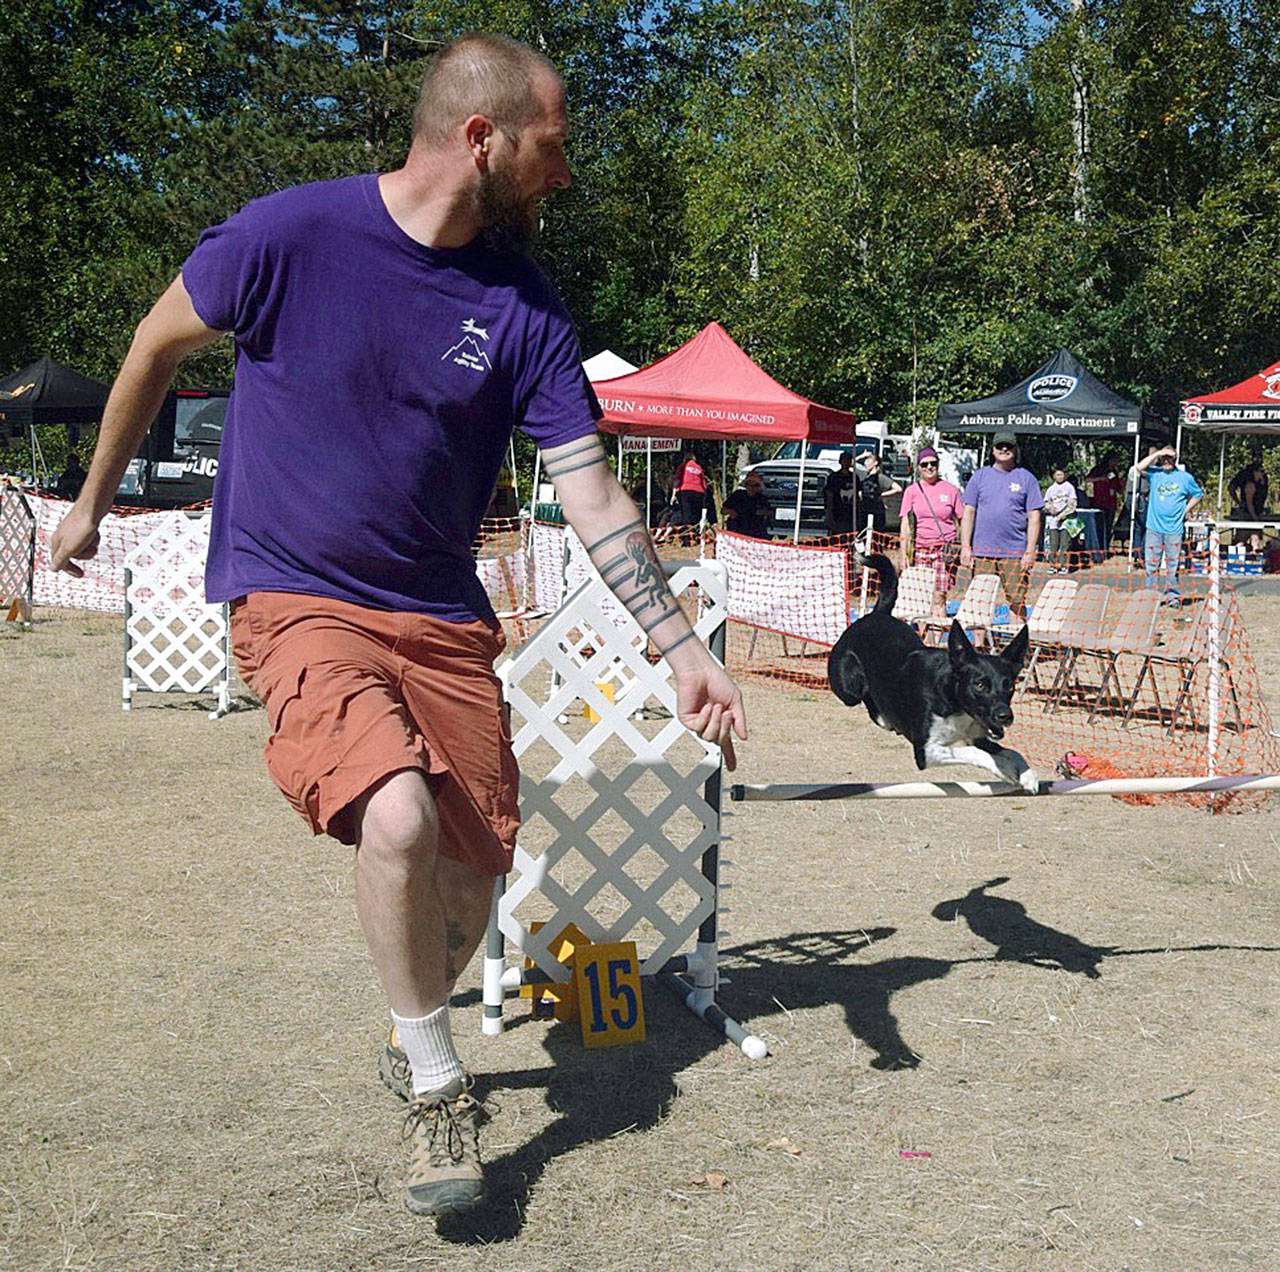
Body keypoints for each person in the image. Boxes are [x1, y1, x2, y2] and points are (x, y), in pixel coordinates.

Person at [48, 33, 746, 1222]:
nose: (562, 175)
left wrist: (677, 645)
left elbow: (586, 489)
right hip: (296, 593)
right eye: (551, 146)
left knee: (473, 888)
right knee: (400, 810)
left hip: (437, 615)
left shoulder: (521, 304)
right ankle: (436, 1083)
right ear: (481, 139)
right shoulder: (285, 235)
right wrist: (92, 498)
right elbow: (156, 346)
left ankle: (407, 1024)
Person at [959, 431, 1043, 619]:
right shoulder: (979, 476)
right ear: (993, 450)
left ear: (1016, 449)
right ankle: (979, 644)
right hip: (982, 552)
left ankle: (1015, 643)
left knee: (1016, 600)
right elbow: (968, 513)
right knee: (980, 600)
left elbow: (1034, 517)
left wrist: (1030, 551)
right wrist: (965, 547)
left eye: (1009, 446)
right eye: (999, 446)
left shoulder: (1026, 478)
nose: (1004, 449)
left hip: (1014, 552)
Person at [898, 446, 961, 611]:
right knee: (922, 597)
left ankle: (936, 633)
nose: (929, 468)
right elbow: (905, 524)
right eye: (924, 465)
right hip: (921, 550)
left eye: (933, 463)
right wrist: (903, 553)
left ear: (938, 465)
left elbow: (962, 519)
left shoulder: (951, 490)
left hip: (943, 550)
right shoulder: (911, 491)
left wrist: (960, 546)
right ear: (919, 468)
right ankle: (924, 637)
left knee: (939, 597)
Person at [1143, 447, 1202, 605]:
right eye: (1165, 458)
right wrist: (1157, 454)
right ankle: (1150, 597)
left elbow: (1198, 494)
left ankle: (1172, 597)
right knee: (1151, 564)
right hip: (1154, 527)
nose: (1167, 461)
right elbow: (1137, 468)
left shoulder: (1185, 478)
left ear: (1175, 459)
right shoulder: (1155, 474)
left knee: (1173, 565)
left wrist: (1186, 510)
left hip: (1174, 529)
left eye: (1171, 458)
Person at [855, 451, 901, 538]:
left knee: (876, 536)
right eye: (865, 461)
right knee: (862, 535)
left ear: (875, 463)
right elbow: (851, 463)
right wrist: (862, 455)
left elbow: (898, 489)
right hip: (864, 510)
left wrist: (882, 495)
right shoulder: (864, 475)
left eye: (868, 461)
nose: (865, 463)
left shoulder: (880, 477)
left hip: (877, 510)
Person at [1041, 465, 1078, 574]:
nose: (1059, 476)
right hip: (1053, 521)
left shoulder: (1069, 487)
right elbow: (1046, 502)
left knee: (1065, 544)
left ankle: (1064, 566)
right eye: (1057, 474)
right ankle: (1053, 565)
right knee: (1053, 544)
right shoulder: (1051, 489)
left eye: (1061, 474)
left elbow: (1072, 504)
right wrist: (1050, 508)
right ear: (1054, 476)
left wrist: (1062, 515)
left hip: (1066, 521)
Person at [1082, 454, 1121, 550]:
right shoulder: (1098, 469)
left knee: (1108, 527)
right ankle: (1097, 547)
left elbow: (1118, 487)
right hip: (1099, 502)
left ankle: (1105, 548)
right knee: (1099, 526)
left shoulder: (1114, 472)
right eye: (1114, 460)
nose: (1116, 463)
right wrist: (1100, 479)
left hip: (1111, 503)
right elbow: (1087, 479)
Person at [721, 471, 772, 539]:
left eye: (755, 485)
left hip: (755, 532)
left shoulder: (762, 499)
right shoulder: (737, 495)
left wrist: (764, 513)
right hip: (737, 530)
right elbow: (723, 510)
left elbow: (770, 513)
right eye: (749, 484)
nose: (752, 488)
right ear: (746, 485)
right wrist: (732, 512)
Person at [671, 446, 708, 526]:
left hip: (686, 491)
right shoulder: (699, 467)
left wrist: (673, 495)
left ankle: (687, 535)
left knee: (686, 514)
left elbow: (677, 481)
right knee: (696, 515)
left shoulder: (683, 466)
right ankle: (695, 533)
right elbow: (704, 484)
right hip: (699, 492)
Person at [823, 449, 855, 536]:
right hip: (837, 510)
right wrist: (829, 512)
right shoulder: (834, 477)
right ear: (840, 462)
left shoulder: (855, 477)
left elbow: (858, 495)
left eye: (848, 460)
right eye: (844, 460)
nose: (846, 462)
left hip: (850, 511)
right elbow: (829, 494)